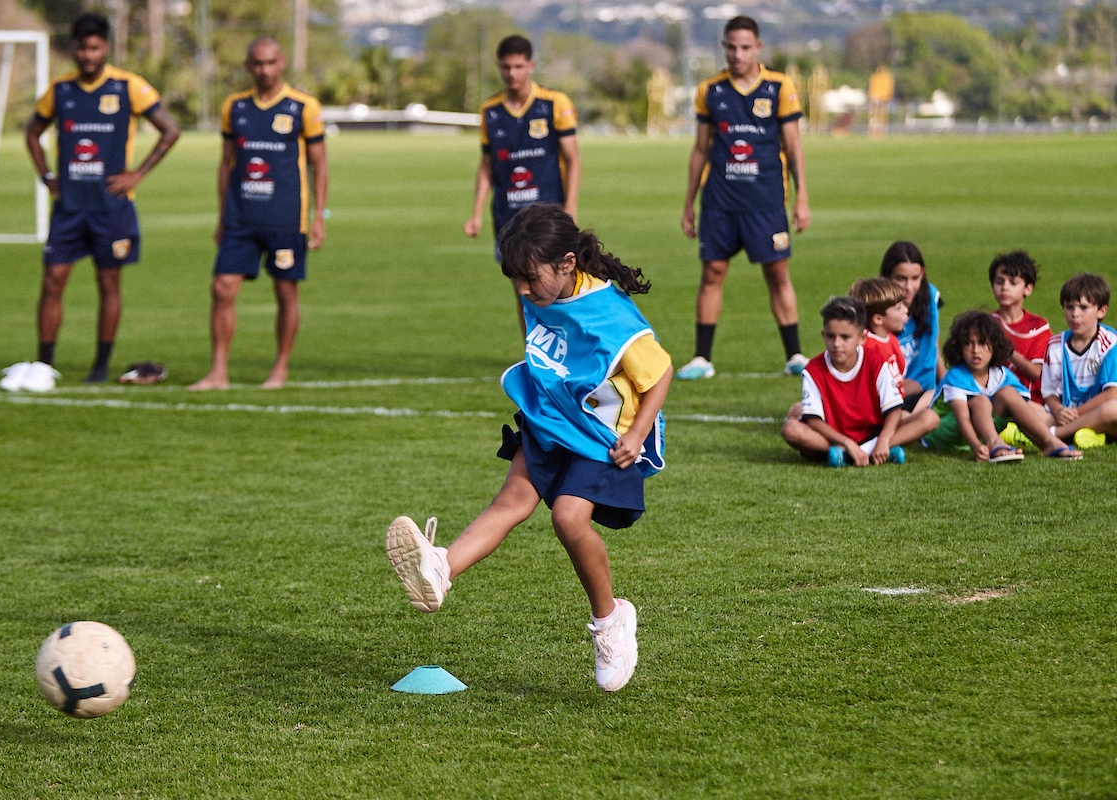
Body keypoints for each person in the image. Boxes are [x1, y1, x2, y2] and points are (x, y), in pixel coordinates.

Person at [386, 204, 671, 693]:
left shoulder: (610, 315)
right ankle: (441, 566)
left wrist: (638, 432)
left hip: (603, 435)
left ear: (566, 262)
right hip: (551, 417)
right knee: (512, 501)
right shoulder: (540, 286)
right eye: (514, 278)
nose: (522, 290)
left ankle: (611, 620)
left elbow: (660, 372)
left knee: (567, 517)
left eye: (529, 277)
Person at [11, 12, 179, 391]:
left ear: (106, 47)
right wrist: (47, 176)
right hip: (69, 206)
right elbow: (32, 132)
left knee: (109, 284)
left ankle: (100, 364)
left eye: (95, 47)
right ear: (73, 48)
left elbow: (170, 129)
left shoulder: (127, 87)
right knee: (53, 280)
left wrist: (139, 173)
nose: (88, 55)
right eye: (82, 48)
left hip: (111, 208)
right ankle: (44, 364)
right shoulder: (60, 91)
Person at [188, 37, 328, 391]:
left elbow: (319, 165)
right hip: (241, 217)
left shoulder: (303, 107)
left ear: (282, 63)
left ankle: (279, 369)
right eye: (257, 64)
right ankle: (218, 372)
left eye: (270, 63)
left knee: (285, 292)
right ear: (248, 66)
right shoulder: (234, 107)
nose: (264, 70)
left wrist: (318, 217)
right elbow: (226, 163)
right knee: (222, 288)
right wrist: (222, 215)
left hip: (285, 217)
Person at [678, 15, 810, 380]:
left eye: (745, 47)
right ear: (723, 47)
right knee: (712, 273)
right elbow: (700, 150)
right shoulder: (710, 91)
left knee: (777, 272)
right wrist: (689, 203)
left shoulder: (779, 87)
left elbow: (794, 148)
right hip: (720, 201)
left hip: (766, 200)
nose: (738, 54)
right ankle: (702, 359)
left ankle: (794, 355)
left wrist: (801, 199)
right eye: (731, 47)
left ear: (758, 48)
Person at [464, 35, 580, 329]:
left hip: (548, 216)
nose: (512, 73)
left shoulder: (553, 103)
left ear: (531, 66)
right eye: (506, 67)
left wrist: (571, 207)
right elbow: (486, 165)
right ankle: (535, 352)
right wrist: (476, 214)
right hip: (508, 217)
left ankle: (569, 349)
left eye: (518, 66)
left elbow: (572, 159)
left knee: (560, 286)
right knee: (523, 289)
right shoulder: (490, 112)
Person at [780, 296, 937, 467]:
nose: (837, 344)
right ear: (823, 335)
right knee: (791, 430)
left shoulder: (876, 362)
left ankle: (859, 452)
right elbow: (814, 420)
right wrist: (847, 443)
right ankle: (858, 452)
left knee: (930, 418)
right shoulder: (813, 369)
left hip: (873, 433)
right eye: (831, 336)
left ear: (862, 338)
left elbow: (893, 410)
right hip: (834, 436)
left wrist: (883, 440)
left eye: (845, 337)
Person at [925, 312, 1081, 461]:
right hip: (945, 433)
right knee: (980, 400)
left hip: (979, 430)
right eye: (968, 344)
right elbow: (962, 418)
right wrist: (976, 446)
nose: (976, 350)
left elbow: (1020, 411)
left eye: (983, 343)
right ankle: (994, 443)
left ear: (995, 346)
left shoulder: (1002, 374)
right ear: (958, 347)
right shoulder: (956, 375)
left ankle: (1049, 442)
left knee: (1009, 393)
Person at [1041, 272, 1117, 448]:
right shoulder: (1055, 345)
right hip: (1065, 413)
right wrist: (1059, 410)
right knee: (1025, 407)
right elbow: (1048, 391)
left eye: (1083, 308)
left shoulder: (1111, 343)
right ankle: (1088, 434)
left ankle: (1053, 434)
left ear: (1101, 310)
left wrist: (1075, 413)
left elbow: (1112, 394)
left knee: (1113, 409)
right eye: (1069, 307)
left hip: (1095, 412)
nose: (1075, 314)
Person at [880, 240, 944, 407]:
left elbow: (933, 344)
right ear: (887, 277)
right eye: (900, 279)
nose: (909, 287)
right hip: (892, 395)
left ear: (922, 274)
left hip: (926, 391)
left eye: (915, 278)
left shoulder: (929, 298)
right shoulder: (877, 312)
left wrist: (946, 383)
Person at [989, 250, 1052, 405]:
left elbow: (1035, 372)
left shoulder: (1038, 327)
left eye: (1013, 282)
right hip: (993, 399)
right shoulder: (987, 323)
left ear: (1028, 288)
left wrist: (1007, 351)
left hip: (1031, 401)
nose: (1005, 287)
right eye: (999, 281)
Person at [849, 277, 907, 395]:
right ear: (878, 319)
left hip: (896, 404)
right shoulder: (866, 348)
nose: (905, 310)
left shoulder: (891, 339)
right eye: (899, 308)